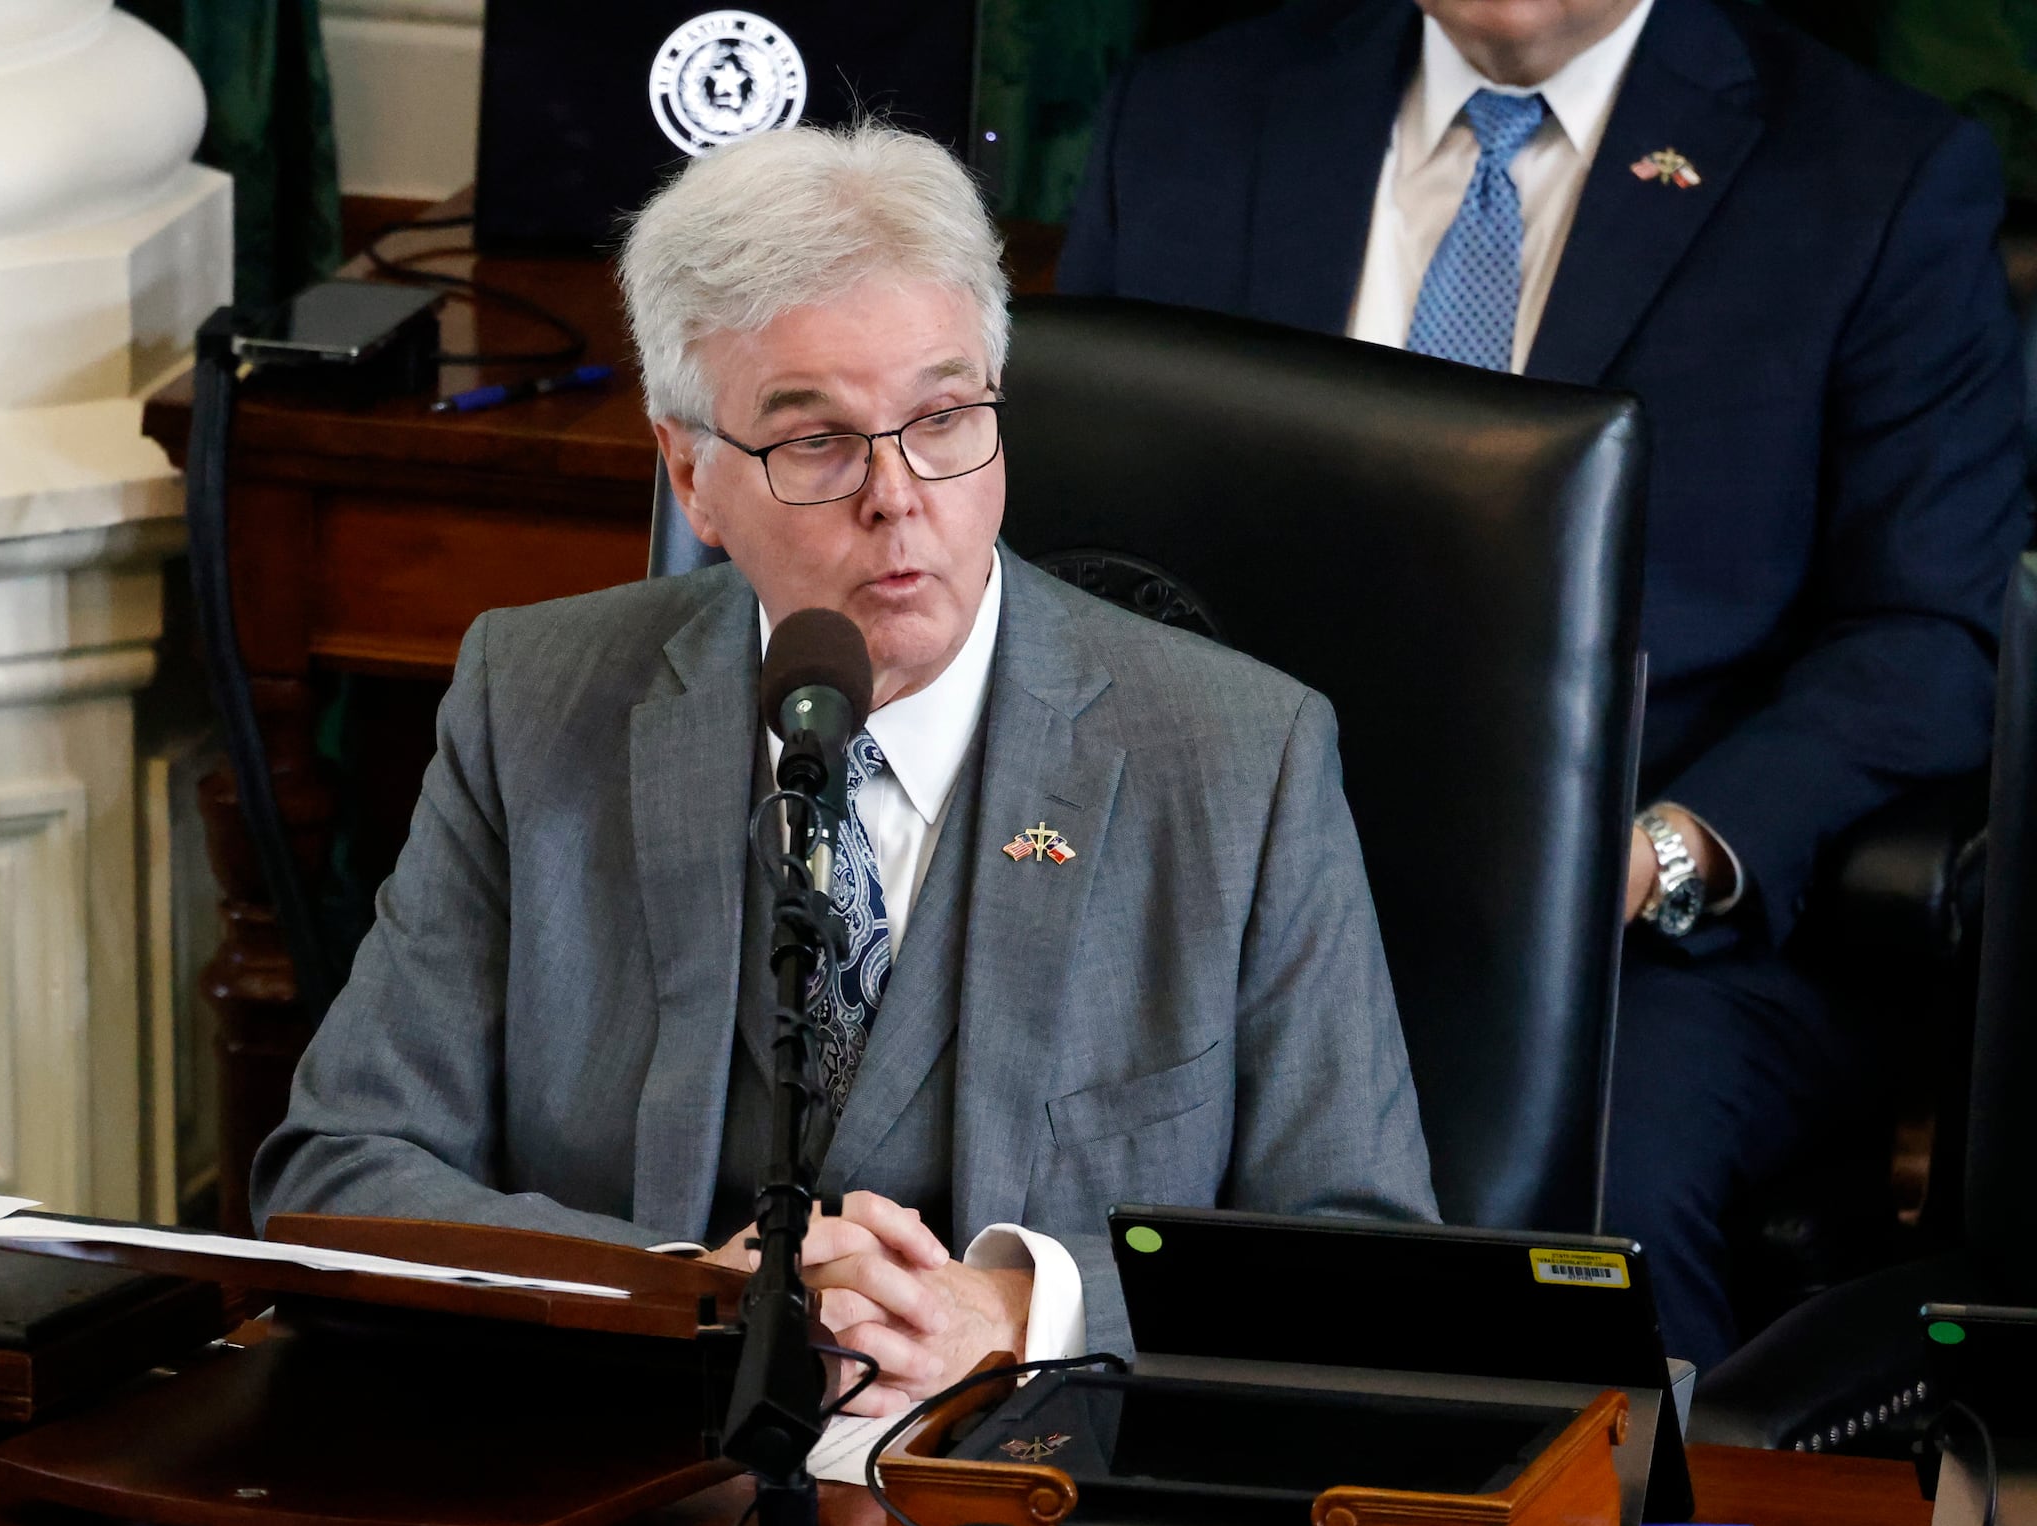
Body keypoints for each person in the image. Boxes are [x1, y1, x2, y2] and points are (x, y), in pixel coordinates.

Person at [252, 120, 1437, 1415]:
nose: (898, 495)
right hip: (630, 1472)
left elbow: (1365, 1262)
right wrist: (690, 1299)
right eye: (815, 441)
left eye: (941, 418)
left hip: (1035, 1506)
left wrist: (1026, 1311)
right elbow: (338, 1171)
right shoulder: (537, 706)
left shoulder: (1236, 761)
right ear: (692, 476)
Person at [1058, 0, 2028, 1372]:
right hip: (1206, 881)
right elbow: (1065, 535)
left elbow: (1935, 632)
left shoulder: (1871, 175)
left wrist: (1659, 857)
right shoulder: (1193, 119)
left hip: (1629, 930)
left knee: (1588, 1210)